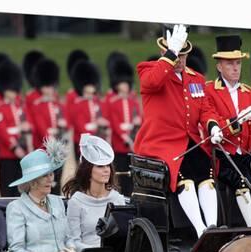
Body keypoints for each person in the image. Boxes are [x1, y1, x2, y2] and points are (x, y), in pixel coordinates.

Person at [134, 24, 225, 238]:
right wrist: (170, 54)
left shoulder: (196, 79)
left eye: (184, 55)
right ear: (164, 52)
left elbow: (205, 109)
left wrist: (212, 125)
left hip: (189, 141)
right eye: (178, 55)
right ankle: (199, 229)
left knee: (206, 172)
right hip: (161, 144)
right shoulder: (149, 70)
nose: (181, 60)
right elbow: (153, 81)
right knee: (183, 175)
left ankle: (212, 228)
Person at [204, 35, 251, 227]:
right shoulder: (209, 90)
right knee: (241, 180)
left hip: (245, 154)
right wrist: (238, 120)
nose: (236, 68)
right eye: (230, 64)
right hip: (223, 156)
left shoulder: (250, 93)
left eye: (238, 63)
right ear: (219, 67)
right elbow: (215, 125)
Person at [6, 139, 77, 252]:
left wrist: (72, 250)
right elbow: (16, 251)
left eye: (51, 174)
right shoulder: (16, 208)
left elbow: (68, 237)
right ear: (32, 182)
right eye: (45, 176)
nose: (50, 179)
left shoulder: (57, 202)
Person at [63, 134, 126, 252]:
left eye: (108, 165)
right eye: (100, 166)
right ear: (88, 170)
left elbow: (124, 237)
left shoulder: (117, 199)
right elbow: (73, 240)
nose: (107, 170)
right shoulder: (76, 201)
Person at [0, 60, 34, 197]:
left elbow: (30, 123)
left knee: (21, 187)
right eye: (11, 90)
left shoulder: (20, 106)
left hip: (22, 152)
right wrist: (14, 147)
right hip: (7, 153)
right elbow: (2, 132)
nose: (14, 93)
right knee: (7, 186)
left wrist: (27, 127)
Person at [28, 58, 69, 194]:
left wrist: (63, 126)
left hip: (58, 147)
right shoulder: (38, 105)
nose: (50, 90)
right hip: (45, 148)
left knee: (57, 179)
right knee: (45, 180)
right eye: (47, 87)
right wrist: (52, 142)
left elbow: (65, 121)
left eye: (52, 86)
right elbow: (40, 128)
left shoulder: (56, 103)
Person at [103, 54, 141, 196]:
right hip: (119, 143)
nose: (125, 86)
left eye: (126, 83)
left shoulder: (132, 100)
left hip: (132, 141)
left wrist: (135, 125)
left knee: (132, 173)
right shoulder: (113, 102)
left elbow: (138, 116)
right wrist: (125, 136)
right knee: (121, 172)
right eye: (122, 84)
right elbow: (114, 122)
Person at [69, 60, 110, 158]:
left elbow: (106, 118)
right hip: (84, 144)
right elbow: (81, 127)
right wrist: (96, 125)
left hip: (99, 142)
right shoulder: (78, 104)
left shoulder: (98, 102)